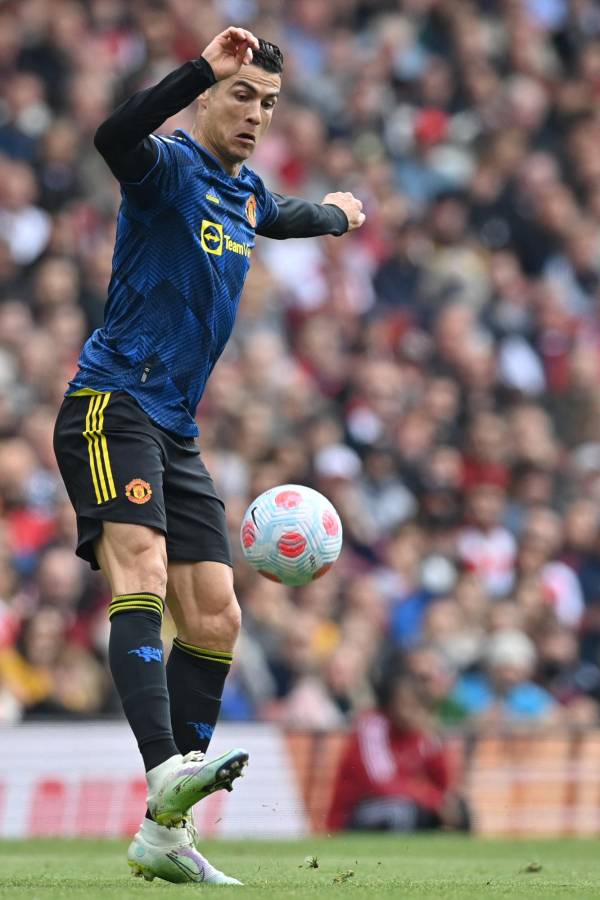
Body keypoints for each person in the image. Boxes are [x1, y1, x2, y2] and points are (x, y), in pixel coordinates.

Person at [53, 26, 364, 886]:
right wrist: (201, 65)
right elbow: (112, 138)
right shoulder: (168, 170)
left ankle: (163, 831)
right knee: (141, 571)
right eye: (241, 96)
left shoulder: (244, 192)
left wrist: (333, 216)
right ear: (208, 99)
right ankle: (166, 771)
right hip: (110, 405)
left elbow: (278, 214)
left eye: (268, 102)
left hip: (175, 431)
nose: (256, 114)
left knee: (218, 615)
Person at [326, 673, 469, 832]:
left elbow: (443, 784)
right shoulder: (373, 727)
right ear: (389, 705)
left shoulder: (420, 735)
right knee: (401, 812)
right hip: (355, 813)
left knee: (459, 808)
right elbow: (383, 783)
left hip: (407, 802)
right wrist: (432, 799)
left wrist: (432, 738)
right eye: (405, 705)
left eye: (417, 706)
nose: (409, 712)